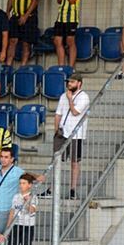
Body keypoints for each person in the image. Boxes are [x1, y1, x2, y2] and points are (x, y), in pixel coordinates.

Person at [54, 71, 90, 199]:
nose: (69, 84)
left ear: (79, 83)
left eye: (72, 82)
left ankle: (73, 189)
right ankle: (53, 188)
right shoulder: (63, 96)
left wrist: (70, 99)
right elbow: (58, 113)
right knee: (57, 160)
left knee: (74, 162)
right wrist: (56, 129)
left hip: (76, 134)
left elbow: (75, 112)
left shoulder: (84, 97)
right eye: (68, 82)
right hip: (62, 132)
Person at [6, 0, 42, 67]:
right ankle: (8, 66)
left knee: (26, 43)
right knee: (12, 41)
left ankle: (23, 67)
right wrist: (7, 12)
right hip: (16, 16)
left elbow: (35, 0)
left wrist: (26, 16)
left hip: (29, 17)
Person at [5, 173, 38, 245]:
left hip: (28, 226)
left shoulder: (33, 197)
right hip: (16, 225)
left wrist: (27, 201)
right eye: (20, 183)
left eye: (24, 183)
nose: (21, 185)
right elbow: (12, 211)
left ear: (29, 185)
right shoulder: (16, 196)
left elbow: (32, 210)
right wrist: (8, 227)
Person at [0, 146, 24, 233]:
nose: (3, 159)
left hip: (5, 209)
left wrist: (38, 177)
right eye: (1, 157)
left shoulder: (17, 171)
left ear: (12, 159)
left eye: (6, 157)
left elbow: (28, 176)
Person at [53, 0, 83, 68]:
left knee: (70, 41)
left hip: (71, 18)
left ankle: (71, 68)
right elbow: (59, 1)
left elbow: (73, 0)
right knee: (57, 41)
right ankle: (61, 67)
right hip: (60, 17)